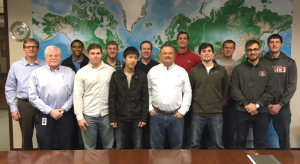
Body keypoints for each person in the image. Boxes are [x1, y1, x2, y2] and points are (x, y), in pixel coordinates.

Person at [28, 46, 75, 150]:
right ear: (45, 57)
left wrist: (64, 109)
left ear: (60, 57)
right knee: (45, 145)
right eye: (50, 56)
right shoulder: (37, 73)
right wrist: (50, 111)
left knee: (67, 145)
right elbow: (32, 96)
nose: (53, 58)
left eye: (56, 55)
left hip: (65, 115)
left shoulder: (70, 72)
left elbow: (74, 94)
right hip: (45, 115)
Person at [231, 40, 275, 150]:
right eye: (250, 50)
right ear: (246, 51)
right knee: (240, 141)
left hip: (262, 111)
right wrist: (247, 105)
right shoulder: (238, 69)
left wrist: (257, 105)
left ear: (259, 50)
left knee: (260, 142)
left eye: (255, 49)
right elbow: (234, 90)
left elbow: (271, 91)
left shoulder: (268, 69)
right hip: (242, 111)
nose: (253, 52)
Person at [147, 44, 192, 149]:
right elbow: (147, 91)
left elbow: (188, 92)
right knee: (156, 147)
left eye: (170, 53)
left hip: (176, 116)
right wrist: (150, 108)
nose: (167, 55)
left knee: (177, 147)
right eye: (165, 53)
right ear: (160, 55)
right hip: (156, 115)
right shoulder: (153, 71)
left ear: (174, 55)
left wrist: (183, 111)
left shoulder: (182, 72)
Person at [5, 38, 46, 150]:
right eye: (28, 46)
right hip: (25, 104)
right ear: (24, 49)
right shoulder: (16, 66)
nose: (31, 49)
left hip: (42, 105)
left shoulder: (45, 65)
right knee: (26, 137)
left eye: (34, 46)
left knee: (43, 136)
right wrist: (13, 109)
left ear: (38, 49)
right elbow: (10, 88)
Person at [73, 43, 115, 150]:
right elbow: (77, 96)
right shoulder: (81, 73)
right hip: (88, 116)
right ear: (87, 54)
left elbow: (115, 95)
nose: (95, 56)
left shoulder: (111, 71)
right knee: (89, 148)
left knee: (109, 147)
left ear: (102, 54)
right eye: (92, 53)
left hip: (107, 115)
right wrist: (79, 117)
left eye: (98, 53)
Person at [189, 43, 228, 149]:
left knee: (217, 144)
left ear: (213, 53)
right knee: (194, 144)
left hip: (216, 113)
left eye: (209, 51)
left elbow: (225, 89)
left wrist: (218, 101)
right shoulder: (194, 71)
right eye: (204, 51)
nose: (207, 53)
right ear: (200, 54)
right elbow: (189, 91)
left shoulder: (221, 70)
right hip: (198, 113)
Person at [109, 46, 148, 149]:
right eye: (130, 57)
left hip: (137, 119)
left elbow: (145, 98)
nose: (133, 60)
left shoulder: (142, 76)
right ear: (124, 59)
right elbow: (112, 98)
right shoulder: (116, 76)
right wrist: (113, 118)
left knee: (138, 147)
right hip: (120, 119)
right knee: (119, 147)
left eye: (135, 58)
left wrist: (144, 118)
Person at [263, 34, 297, 150]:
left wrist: (280, 105)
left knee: (284, 139)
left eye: (277, 42)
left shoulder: (290, 63)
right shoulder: (261, 62)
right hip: (263, 106)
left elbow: (292, 86)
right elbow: (256, 85)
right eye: (271, 42)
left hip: (282, 107)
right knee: (259, 138)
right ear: (268, 44)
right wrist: (265, 104)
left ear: (281, 44)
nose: (274, 44)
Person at [216, 40, 239, 149]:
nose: (228, 50)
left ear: (234, 49)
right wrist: (220, 99)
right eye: (226, 47)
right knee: (215, 130)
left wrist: (228, 98)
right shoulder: (215, 63)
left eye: (231, 48)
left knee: (229, 131)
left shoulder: (237, 66)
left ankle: (229, 155)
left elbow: (238, 85)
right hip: (216, 103)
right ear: (222, 48)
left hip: (231, 103)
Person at [135, 40, 159, 149]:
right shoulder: (133, 66)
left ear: (151, 51)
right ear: (140, 51)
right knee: (139, 134)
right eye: (144, 49)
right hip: (137, 106)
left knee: (153, 133)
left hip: (154, 106)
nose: (146, 51)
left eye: (148, 49)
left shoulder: (158, 67)